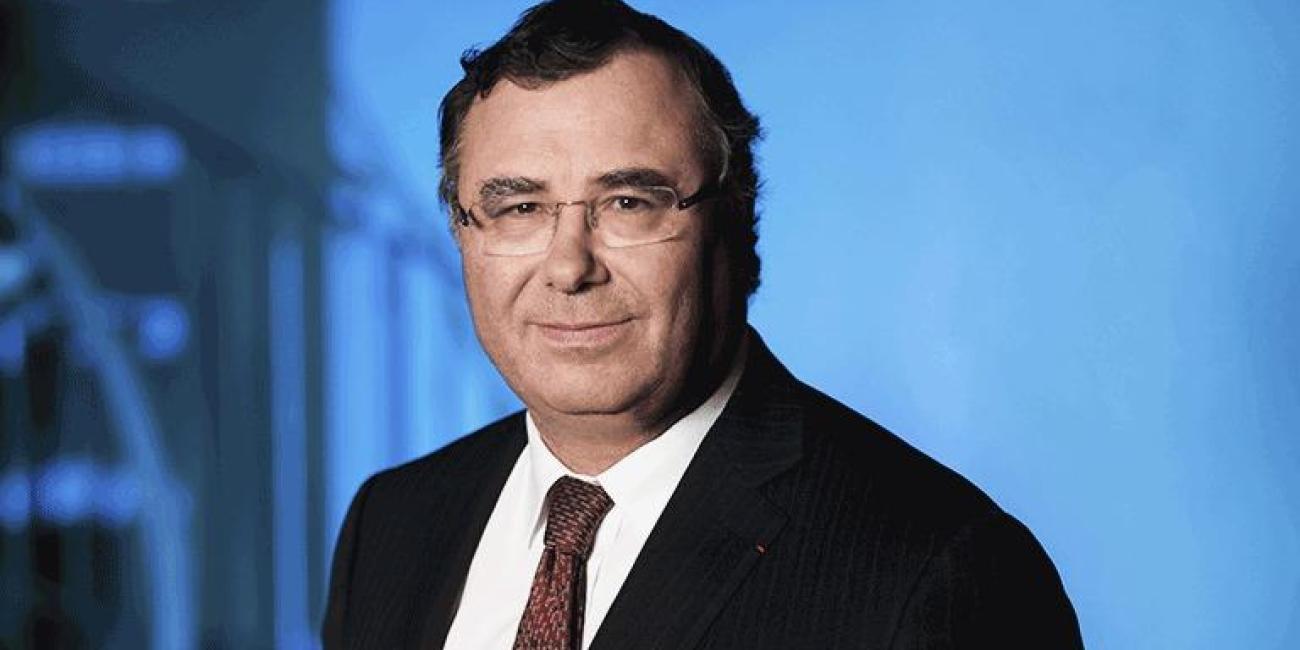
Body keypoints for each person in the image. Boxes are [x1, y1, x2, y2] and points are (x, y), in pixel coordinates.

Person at [322, 1, 1084, 648]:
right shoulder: (391, 526)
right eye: (520, 208)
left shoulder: (940, 570)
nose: (569, 267)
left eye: (629, 203)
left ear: (738, 224)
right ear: (462, 231)